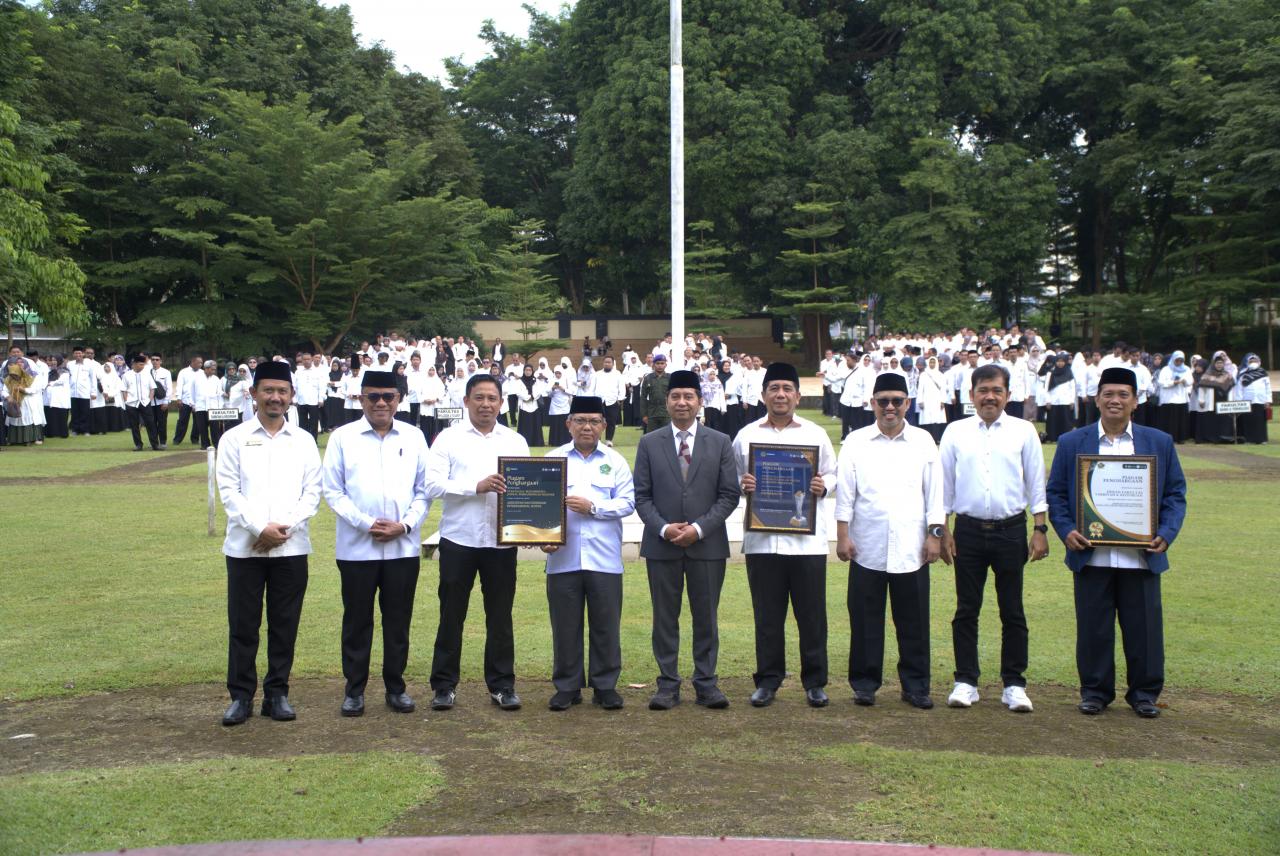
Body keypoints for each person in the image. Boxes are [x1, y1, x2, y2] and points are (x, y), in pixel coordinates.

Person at [1046, 366, 1187, 718]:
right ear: (1096, 399)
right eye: (1108, 393)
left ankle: (1144, 694)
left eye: (1123, 394)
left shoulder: (1158, 442)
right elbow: (1057, 495)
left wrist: (1166, 534)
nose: (1115, 400)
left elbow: (1175, 495)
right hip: (1091, 554)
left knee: (1145, 629)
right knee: (1094, 628)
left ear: (1135, 401)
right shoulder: (1072, 442)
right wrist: (1066, 531)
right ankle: (1094, 691)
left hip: (1142, 556)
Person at [215, 361, 322, 726]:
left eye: (282, 391)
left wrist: (281, 529)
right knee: (243, 624)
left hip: (291, 548)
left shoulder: (304, 441)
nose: (275, 397)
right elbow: (229, 492)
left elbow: (312, 494)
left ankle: (277, 693)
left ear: (292, 397)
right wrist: (260, 528)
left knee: (284, 623)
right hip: (245, 549)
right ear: (254, 393)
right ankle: (241, 696)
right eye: (268, 391)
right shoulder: (234, 438)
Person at [938, 364, 1049, 713]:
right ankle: (965, 681)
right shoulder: (955, 431)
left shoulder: (1023, 430)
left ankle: (1014, 684)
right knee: (966, 609)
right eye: (983, 390)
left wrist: (1040, 529)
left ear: (1007, 395)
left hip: (1011, 530)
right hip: (968, 531)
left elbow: (1035, 482)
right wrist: (943, 531)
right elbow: (944, 487)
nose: (989, 396)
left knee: (1012, 610)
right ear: (971, 395)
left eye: (996, 390)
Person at [321, 369, 431, 717]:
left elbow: (424, 490)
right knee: (357, 621)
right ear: (360, 398)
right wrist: (367, 523)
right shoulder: (343, 437)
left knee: (398, 621)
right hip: (357, 548)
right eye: (373, 397)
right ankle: (354, 690)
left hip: (403, 547)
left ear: (399, 399)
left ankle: (395, 688)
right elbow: (333, 491)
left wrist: (406, 525)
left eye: (388, 397)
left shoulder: (414, 436)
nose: (381, 403)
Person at [633, 369, 740, 710]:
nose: (682, 402)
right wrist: (665, 529)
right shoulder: (650, 442)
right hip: (662, 545)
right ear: (667, 402)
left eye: (688, 397)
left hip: (706, 545)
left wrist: (698, 528)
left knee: (705, 615)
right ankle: (667, 684)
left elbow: (728, 495)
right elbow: (642, 496)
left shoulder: (720, 442)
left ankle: (706, 682)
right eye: (676, 396)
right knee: (665, 616)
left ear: (699, 402)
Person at [835, 372, 944, 709]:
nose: (890, 407)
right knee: (865, 618)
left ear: (907, 404)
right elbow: (846, 494)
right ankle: (865, 684)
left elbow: (935, 494)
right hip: (867, 544)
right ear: (873, 404)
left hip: (912, 547)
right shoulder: (856, 441)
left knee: (914, 620)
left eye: (897, 401)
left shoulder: (924, 441)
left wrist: (935, 535)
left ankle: (916, 686)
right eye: (883, 401)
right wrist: (842, 536)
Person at [424, 373, 531, 712]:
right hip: (460, 539)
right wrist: (476, 485)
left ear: (501, 403)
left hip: (501, 543)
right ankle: (443, 686)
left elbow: (530, 489)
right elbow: (433, 486)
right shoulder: (448, 439)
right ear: (467, 400)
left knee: (500, 616)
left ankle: (502, 685)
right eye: (479, 397)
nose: (486, 404)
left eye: (492, 398)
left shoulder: (515, 440)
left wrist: (535, 527)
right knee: (451, 614)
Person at [732, 362, 836, 708]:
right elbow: (731, 480)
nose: (780, 394)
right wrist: (743, 484)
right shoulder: (746, 436)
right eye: (774, 388)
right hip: (762, 541)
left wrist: (824, 485)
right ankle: (768, 680)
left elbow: (833, 475)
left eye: (787, 389)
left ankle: (815, 681)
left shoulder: (815, 434)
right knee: (767, 615)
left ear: (797, 395)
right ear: (763, 395)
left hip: (806, 542)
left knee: (812, 615)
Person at [540, 396, 636, 711]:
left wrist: (593, 507)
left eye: (594, 421)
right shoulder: (553, 459)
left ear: (603, 426)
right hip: (563, 559)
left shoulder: (615, 461)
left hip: (604, 559)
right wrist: (542, 538)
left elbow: (627, 502)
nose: (587, 427)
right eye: (580, 420)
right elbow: (539, 506)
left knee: (606, 625)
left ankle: (605, 686)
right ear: (568, 423)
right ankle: (567, 687)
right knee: (565, 625)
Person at [121, 354, 162, 451]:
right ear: (134, 364)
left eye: (143, 364)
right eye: (140, 364)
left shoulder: (147, 374)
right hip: (131, 403)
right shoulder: (127, 375)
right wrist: (126, 400)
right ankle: (138, 445)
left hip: (145, 402)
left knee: (151, 424)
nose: (142, 366)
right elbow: (123, 389)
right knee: (134, 425)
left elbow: (152, 388)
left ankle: (155, 444)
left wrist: (150, 399)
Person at [1156, 350, 1193, 443]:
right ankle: (1169, 438)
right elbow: (1161, 382)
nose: (1179, 363)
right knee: (1170, 419)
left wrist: (1184, 381)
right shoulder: (1166, 369)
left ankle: (1181, 438)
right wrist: (1173, 382)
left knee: (1181, 419)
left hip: (1181, 397)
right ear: (1173, 359)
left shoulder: (1186, 369)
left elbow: (1190, 381)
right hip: (1169, 398)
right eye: (1177, 360)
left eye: (1181, 361)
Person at [592, 355, 627, 446]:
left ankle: (608, 440)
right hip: (598, 401)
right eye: (605, 362)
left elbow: (622, 388)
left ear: (612, 363)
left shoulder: (617, 374)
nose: (607, 364)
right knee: (597, 421)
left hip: (612, 401)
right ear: (603, 363)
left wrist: (619, 399)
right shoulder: (597, 374)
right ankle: (597, 440)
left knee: (611, 422)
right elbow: (592, 388)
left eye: (609, 362)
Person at [1237, 354, 1270, 443]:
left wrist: (1268, 400)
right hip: (1247, 401)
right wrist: (1240, 402)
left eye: (1255, 361)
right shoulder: (1243, 373)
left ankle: (1261, 439)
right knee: (1248, 420)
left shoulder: (1264, 373)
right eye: (1251, 361)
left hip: (1260, 400)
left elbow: (1268, 387)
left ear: (1259, 362)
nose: (1253, 363)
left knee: (1260, 421)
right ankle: (1249, 439)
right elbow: (1239, 389)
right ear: (1247, 362)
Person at [638, 353, 671, 433]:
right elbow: (643, 397)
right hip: (652, 413)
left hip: (667, 413)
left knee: (667, 436)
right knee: (651, 437)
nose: (660, 365)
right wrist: (644, 414)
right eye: (658, 363)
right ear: (653, 364)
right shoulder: (648, 378)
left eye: (662, 363)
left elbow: (674, 396)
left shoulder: (670, 378)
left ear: (665, 365)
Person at [148, 354, 172, 447]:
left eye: (157, 359)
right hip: (150, 402)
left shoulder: (166, 372)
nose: (155, 361)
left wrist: (166, 401)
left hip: (161, 401)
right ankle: (153, 442)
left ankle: (162, 442)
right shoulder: (147, 372)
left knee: (162, 423)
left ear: (161, 361)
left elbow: (169, 388)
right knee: (151, 423)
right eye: (153, 359)